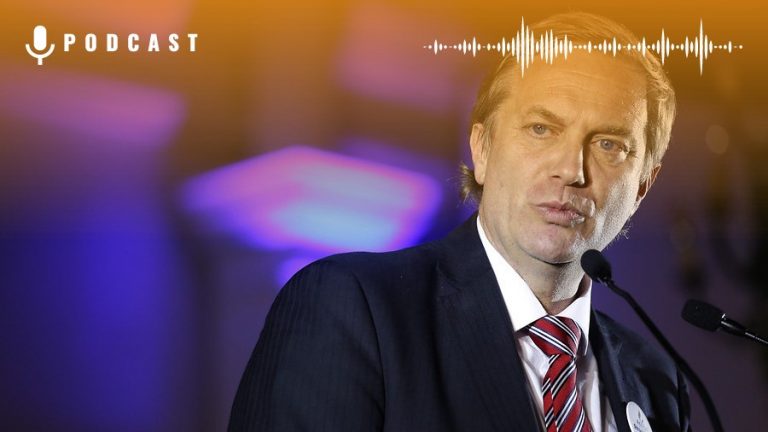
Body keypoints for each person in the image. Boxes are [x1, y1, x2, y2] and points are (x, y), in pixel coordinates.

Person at [229, 12, 690, 432]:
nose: (572, 170)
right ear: (482, 150)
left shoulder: (657, 380)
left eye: (609, 145)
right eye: (541, 129)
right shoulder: (353, 308)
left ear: (642, 187)